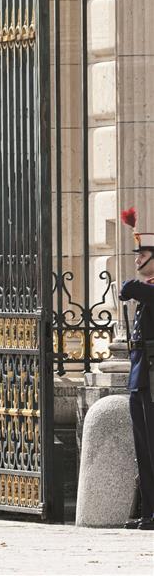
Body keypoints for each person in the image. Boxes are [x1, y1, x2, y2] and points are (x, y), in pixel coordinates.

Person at [118, 214, 154, 530]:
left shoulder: (149, 289)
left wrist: (132, 286)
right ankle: (148, 510)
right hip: (141, 377)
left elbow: (129, 288)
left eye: (143, 256)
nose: (138, 260)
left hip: (151, 378)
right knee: (143, 445)